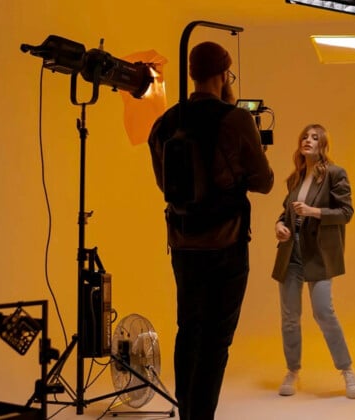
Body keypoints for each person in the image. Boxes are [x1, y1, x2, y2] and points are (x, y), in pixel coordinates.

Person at [147, 41, 274, 419]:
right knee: (216, 342)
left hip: (183, 244)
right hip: (226, 244)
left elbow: (164, 184)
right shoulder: (236, 120)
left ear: (192, 74)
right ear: (223, 74)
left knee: (188, 331)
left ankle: (187, 414)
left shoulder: (164, 123)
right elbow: (265, 182)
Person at [271, 123, 355, 399]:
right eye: (304, 137)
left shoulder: (335, 174)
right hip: (291, 252)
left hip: (318, 253)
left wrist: (313, 211)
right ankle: (292, 370)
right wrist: (279, 225)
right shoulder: (295, 178)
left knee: (323, 312)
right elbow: (286, 213)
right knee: (289, 316)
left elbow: (346, 212)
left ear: (323, 144)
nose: (307, 140)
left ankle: (347, 370)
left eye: (314, 137)